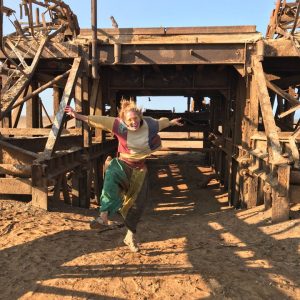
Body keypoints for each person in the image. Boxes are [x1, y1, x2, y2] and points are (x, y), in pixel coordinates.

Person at [65, 99, 183, 252]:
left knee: (138, 204)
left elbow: (162, 123)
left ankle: (129, 237)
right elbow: (97, 121)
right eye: (129, 120)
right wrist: (77, 115)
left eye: (135, 118)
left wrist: (172, 122)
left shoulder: (150, 125)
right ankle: (104, 217)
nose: (133, 122)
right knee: (111, 175)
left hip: (140, 170)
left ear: (140, 117)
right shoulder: (118, 125)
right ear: (123, 120)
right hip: (123, 164)